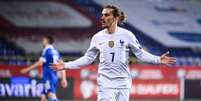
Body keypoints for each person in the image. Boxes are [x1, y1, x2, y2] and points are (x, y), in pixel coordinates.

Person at [51, 5, 176, 101]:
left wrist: (158, 59)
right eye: (102, 15)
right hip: (105, 82)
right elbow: (88, 58)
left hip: (123, 82)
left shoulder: (127, 35)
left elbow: (140, 54)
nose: (102, 18)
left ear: (115, 18)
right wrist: (67, 65)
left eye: (106, 15)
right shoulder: (97, 37)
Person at [21, 35, 67, 101]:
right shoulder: (56, 51)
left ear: (46, 41)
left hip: (48, 78)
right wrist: (64, 78)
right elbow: (62, 65)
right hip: (53, 77)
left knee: (51, 96)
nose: (42, 42)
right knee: (43, 97)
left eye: (43, 40)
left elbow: (40, 63)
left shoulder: (46, 50)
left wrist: (27, 69)